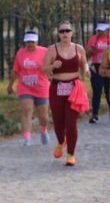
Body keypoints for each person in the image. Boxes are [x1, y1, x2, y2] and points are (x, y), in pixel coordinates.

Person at [42, 21, 90, 166]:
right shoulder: (52, 49)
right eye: (62, 31)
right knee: (58, 122)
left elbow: (84, 63)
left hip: (74, 88)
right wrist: (52, 66)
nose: (64, 34)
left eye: (67, 31)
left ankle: (71, 154)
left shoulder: (79, 48)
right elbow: (43, 69)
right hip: (57, 88)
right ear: (58, 34)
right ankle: (61, 141)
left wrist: (86, 70)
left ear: (72, 33)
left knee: (71, 122)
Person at [7, 29, 51, 146]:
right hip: (25, 87)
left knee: (43, 116)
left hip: (41, 87)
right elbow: (15, 71)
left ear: (37, 41)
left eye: (32, 42)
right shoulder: (20, 53)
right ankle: (27, 138)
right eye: (28, 42)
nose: (30, 44)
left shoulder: (45, 52)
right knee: (26, 111)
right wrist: (10, 85)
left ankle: (44, 130)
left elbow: (52, 67)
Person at [85, 22, 110, 123]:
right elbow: (86, 55)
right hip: (96, 67)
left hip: (108, 67)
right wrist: (92, 51)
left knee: (108, 92)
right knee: (97, 90)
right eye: (99, 30)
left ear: (108, 30)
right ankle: (95, 114)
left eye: (103, 30)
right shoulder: (93, 39)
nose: (100, 32)